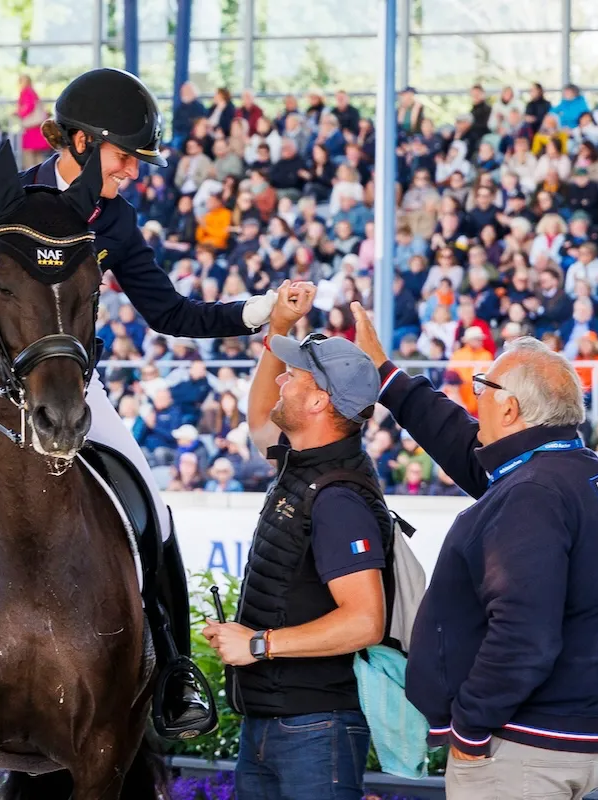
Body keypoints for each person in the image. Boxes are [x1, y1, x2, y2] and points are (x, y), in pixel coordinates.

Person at [0, 67, 279, 741]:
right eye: (127, 156)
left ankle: (175, 668)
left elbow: (169, 312)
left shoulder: (114, 218)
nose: (134, 171)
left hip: (71, 386)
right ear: (84, 142)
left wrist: (255, 311)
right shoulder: (3, 197)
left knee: (152, 505)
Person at [350, 302, 598, 800]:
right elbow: (466, 449)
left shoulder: (532, 492)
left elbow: (523, 632)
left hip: (516, 751)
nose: (475, 400)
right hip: (544, 741)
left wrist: (471, 728)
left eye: (482, 387)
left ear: (510, 409)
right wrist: (388, 376)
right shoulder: (562, 466)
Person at [203, 282, 391, 800]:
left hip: (315, 729)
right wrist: (278, 328)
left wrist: (259, 644)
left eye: (295, 375)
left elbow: (365, 621)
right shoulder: (306, 458)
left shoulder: (339, 498)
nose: (282, 379)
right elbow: (260, 415)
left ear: (319, 401)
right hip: (279, 722)